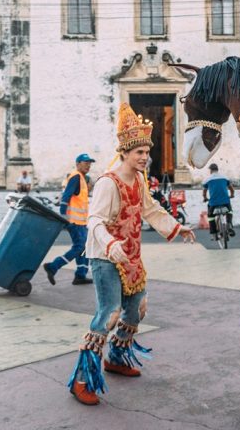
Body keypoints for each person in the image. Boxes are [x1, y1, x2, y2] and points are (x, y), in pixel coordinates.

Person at [67, 103, 195, 406]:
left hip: (131, 255)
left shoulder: (138, 179)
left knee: (137, 309)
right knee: (109, 313)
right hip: (105, 257)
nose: (144, 157)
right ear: (124, 153)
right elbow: (95, 220)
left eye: (146, 152)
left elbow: (150, 209)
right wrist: (110, 244)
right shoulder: (107, 183)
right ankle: (82, 379)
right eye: (139, 152)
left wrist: (177, 227)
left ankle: (116, 357)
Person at [44, 154, 96, 286]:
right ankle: (53, 266)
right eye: (85, 163)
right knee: (80, 247)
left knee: (84, 247)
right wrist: (63, 215)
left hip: (81, 222)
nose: (88, 165)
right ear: (78, 163)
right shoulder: (76, 177)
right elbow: (66, 196)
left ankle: (80, 275)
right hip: (74, 222)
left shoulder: (82, 179)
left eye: (90, 163)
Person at [202, 163, 235, 239]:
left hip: (213, 203)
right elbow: (231, 189)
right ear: (217, 169)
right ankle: (229, 224)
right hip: (225, 201)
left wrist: (205, 198)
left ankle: (214, 232)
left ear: (210, 170)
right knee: (229, 211)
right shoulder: (225, 177)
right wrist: (232, 195)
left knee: (211, 216)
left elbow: (204, 191)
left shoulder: (208, 179)